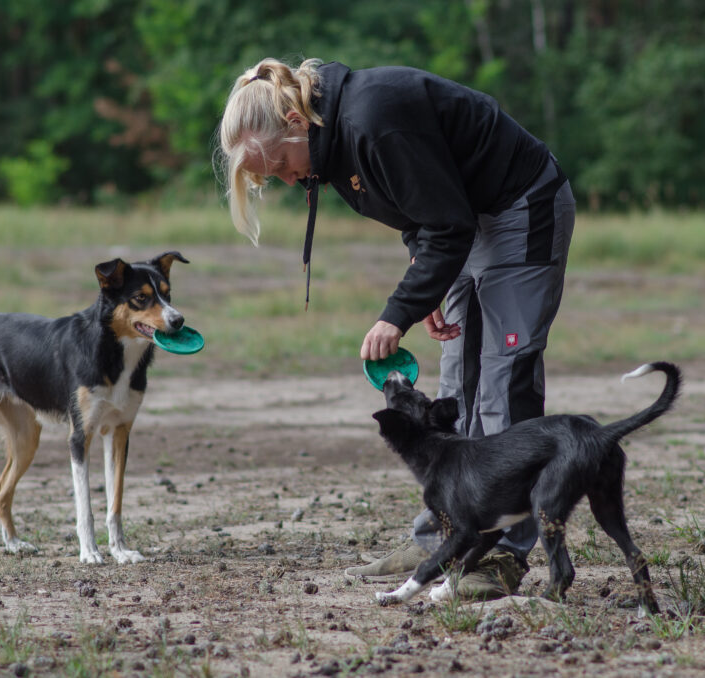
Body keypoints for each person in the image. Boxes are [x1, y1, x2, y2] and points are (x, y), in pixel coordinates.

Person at [217, 58, 576, 600]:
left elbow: (447, 222)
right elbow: (417, 212)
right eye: (278, 179)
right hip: (463, 222)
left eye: (284, 167)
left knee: (504, 382)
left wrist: (398, 311)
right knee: (456, 383)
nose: (291, 179)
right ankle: (445, 534)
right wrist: (421, 281)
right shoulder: (329, 146)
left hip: (520, 208)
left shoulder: (371, 119)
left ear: (294, 120)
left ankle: (504, 553)